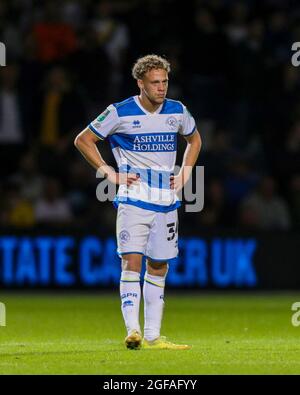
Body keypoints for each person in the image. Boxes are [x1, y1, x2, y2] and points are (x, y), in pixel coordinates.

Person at [74, 54, 201, 350]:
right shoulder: (119, 112)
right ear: (140, 83)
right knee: (131, 260)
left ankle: (154, 336)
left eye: (165, 82)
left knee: (159, 265)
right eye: (155, 83)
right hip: (133, 199)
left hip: (166, 201)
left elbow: (194, 140)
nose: (161, 88)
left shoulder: (177, 111)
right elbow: (83, 139)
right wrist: (108, 173)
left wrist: (185, 173)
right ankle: (133, 331)